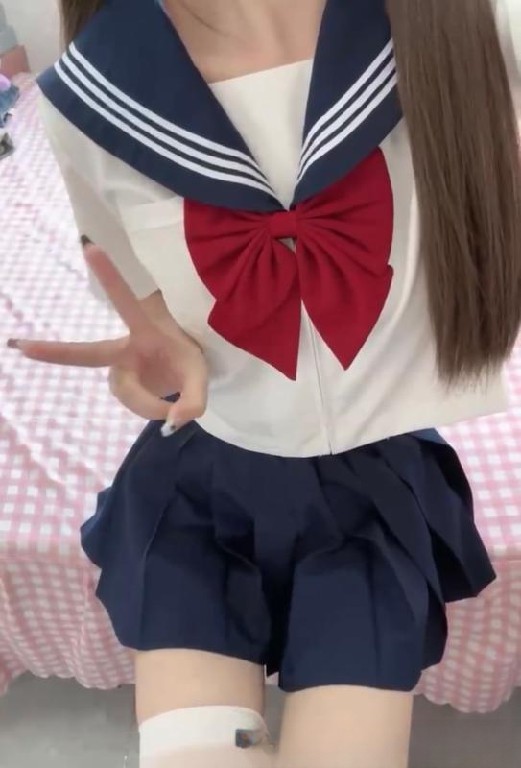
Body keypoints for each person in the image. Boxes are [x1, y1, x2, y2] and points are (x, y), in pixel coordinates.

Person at [8, 1, 521, 766]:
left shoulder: (476, 33)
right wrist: (158, 358)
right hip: (202, 492)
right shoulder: (89, 97)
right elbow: (150, 305)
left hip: (372, 501)